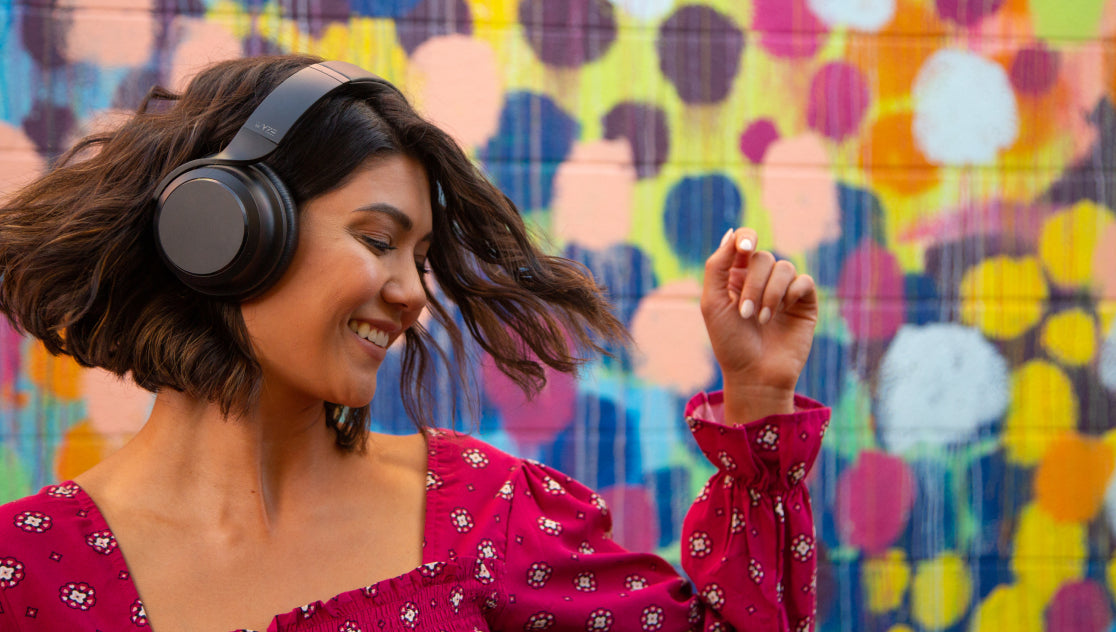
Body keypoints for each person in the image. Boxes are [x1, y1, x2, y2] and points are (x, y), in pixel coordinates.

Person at [0, 55, 828, 632]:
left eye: (421, 258)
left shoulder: (481, 514)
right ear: (224, 231)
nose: (409, 294)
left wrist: (757, 402)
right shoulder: (24, 569)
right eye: (376, 238)